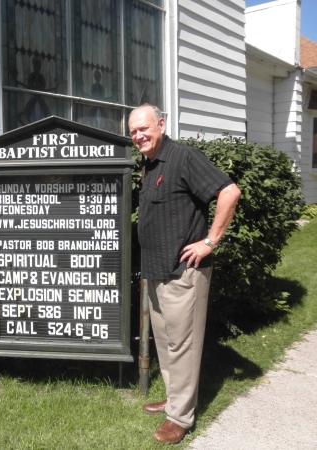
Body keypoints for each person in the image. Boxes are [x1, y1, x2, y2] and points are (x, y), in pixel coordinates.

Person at [129, 105, 241, 444]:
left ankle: (180, 418)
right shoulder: (151, 165)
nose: (138, 136)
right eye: (133, 131)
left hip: (184, 273)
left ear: (161, 125)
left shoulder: (184, 157)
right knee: (165, 343)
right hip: (157, 271)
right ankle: (176, 399)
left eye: (144, 128)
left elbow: (229, 191)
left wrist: (210, 241)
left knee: (183, 345)